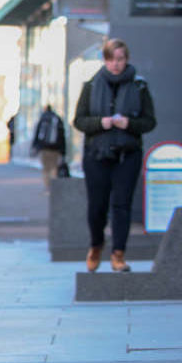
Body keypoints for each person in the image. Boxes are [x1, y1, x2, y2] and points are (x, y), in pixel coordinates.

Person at [73, 38, 156, 273]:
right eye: (111, 59)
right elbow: (79, 120)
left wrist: (129, 123)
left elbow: (150, 122)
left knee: (121, 205)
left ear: (126, 59)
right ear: (104, 60)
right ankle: (96, 245)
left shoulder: (139, 86)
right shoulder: (91, 85)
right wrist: (102, 122)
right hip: (97, 154)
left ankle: (118, 254)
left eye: (120, 59)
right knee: (97, 207)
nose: (116, 64)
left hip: (127, 155)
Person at [31, 105, 66, 192]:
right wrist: (63, 151)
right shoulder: (57, 119)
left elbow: (37, 134)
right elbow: (62, 136)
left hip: (44, 148)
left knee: (46, 168)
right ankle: (53, 188)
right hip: (55, 149)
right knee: (54, 168)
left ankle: (47, 187)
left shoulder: (43, 119)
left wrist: (35, 146)